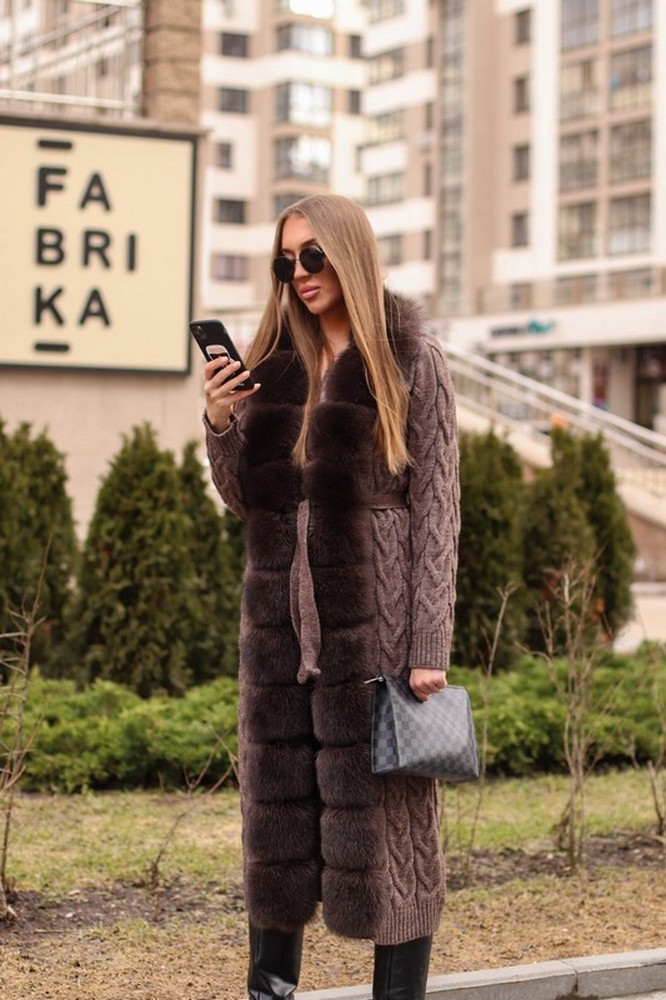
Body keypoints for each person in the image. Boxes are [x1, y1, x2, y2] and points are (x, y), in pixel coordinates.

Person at [203, 194, 460, 1000]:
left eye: (313, 255)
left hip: (378, 630)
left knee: (389, 828)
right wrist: (222, 422)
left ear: (350, 252)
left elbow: (438, 510)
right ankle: (268, 992)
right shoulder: (275, 366)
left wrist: (428, 647)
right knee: (277, 829)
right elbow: (247, 500)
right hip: (282, 626)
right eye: (286, 261)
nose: (300, 274)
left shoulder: (412, 360)